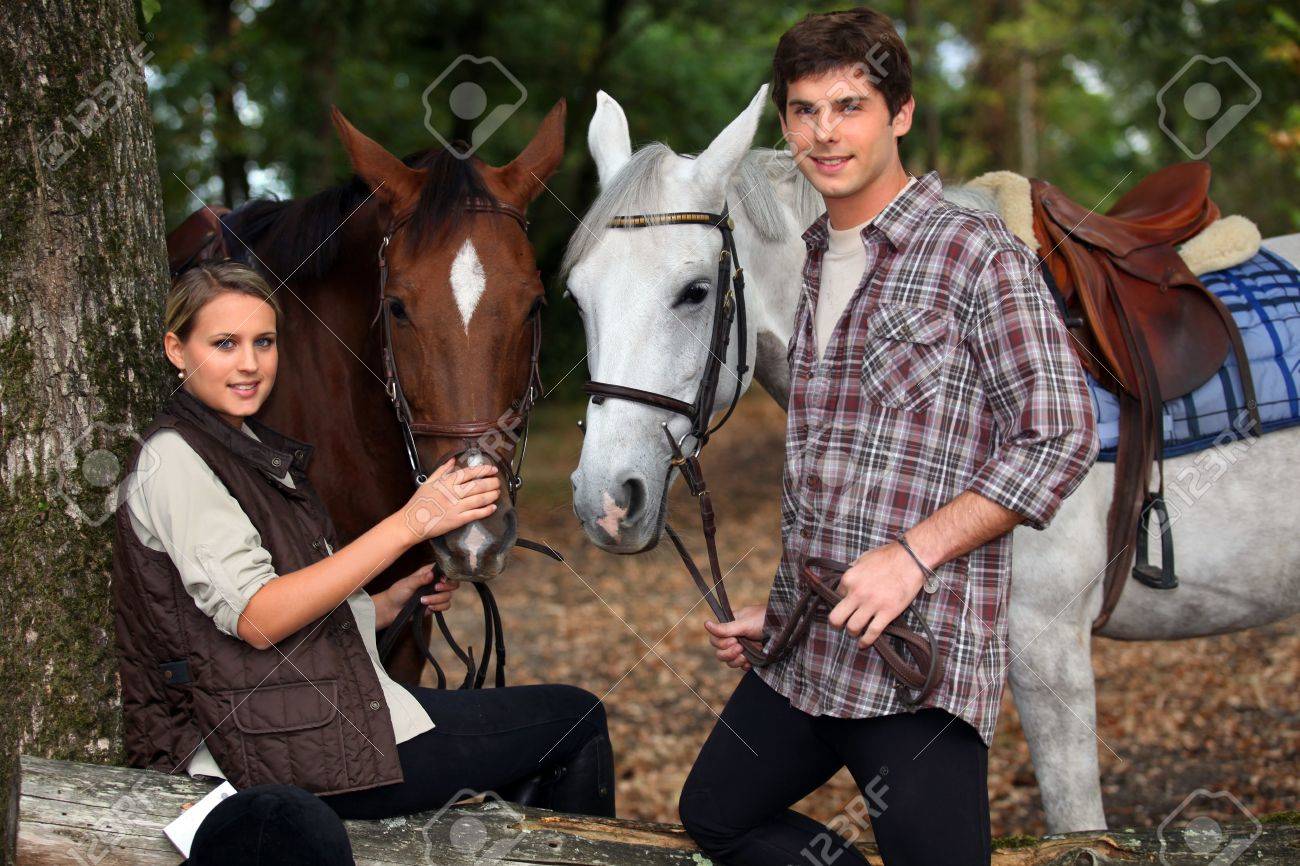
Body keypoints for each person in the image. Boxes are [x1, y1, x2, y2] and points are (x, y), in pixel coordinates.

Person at [678, 9, 1098, 865]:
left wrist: (911, 556)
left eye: (850, 106)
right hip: (811, 648)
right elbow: (846, 475)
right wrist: (784, 615)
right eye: (804, 110)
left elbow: (1059, 435)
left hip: (919, 665)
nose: (824, 133)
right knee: (716, 813)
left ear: (900, 113)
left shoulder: (974, 253)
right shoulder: (809, 259)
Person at [113, 260, 615, 822]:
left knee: (541, 737)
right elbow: (257, 618)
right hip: (259, 753)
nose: (249, 364)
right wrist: (410, 524)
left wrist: (382, 606)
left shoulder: (239, 445)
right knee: (577, 719)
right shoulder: (174, 458)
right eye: (224, 343)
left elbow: (272, 612)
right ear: (177, 351)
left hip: (300, 725)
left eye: (264, 342)